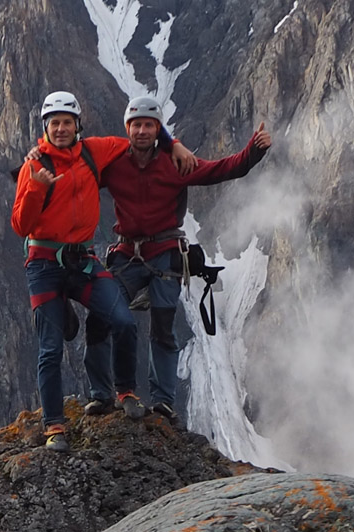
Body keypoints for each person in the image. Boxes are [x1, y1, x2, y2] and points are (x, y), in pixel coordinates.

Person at [11, 91, 194, 450]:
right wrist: (36, 187)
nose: (61, 129)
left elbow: (140, 135)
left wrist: (174, 144)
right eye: (55, 123)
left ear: (78, 125)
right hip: (44, 265)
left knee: (123, 321)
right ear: (45, 129)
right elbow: (21, 225)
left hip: (82, 260)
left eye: (67, 122)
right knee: (49, 348)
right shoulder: (33, 168)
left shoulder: (94, 151)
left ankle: (124, 390)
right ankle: (54, 428)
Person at [84, 95, 272, 422]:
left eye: (148, 125)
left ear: (158, 129)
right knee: (102, 317)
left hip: (163, 255)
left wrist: (253, 152)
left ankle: (162, 401)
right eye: (136, 125)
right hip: (130, 254)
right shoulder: (115, 164)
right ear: (127, 129)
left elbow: (223, 169)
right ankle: (104, 394)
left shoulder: (175, 163)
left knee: (162, 328)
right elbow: (74, 177)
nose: (142, 131)